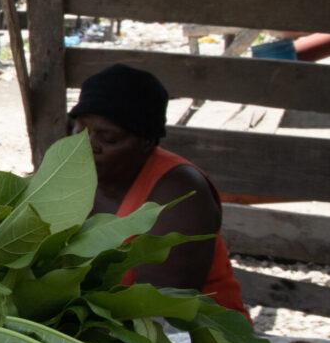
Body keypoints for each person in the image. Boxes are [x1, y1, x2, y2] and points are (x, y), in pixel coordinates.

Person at [67, 63, 248, 316]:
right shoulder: (71, 174)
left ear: (147, 142)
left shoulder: (181, 193)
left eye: (108, 138)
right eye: (80, 129)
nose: (89, 144)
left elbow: (158, 313)